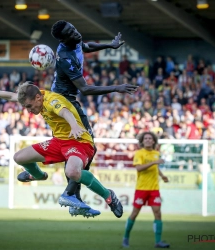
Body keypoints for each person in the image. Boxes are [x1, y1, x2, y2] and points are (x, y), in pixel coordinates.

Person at [0, 82, 123, 218]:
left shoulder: (51, 101)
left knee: (72, 172)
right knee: (19, 157)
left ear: (37, 98)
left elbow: (65, 112)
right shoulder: (36, 96)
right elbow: (11, 96)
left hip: (79, 141)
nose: (29, 111)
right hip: (59, 141)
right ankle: (38, 175)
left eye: (29, 107)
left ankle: (108, 196)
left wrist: (75, 125)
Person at [49, 20, 138, 217]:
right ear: (64, 39)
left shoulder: (74, 42)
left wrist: (110, 45)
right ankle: (72, 193)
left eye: (74, 27)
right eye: (70, 32)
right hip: (65, 103)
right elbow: (86, 89)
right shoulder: (64, 56)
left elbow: (86, 46)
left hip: (65, 101)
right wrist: (116, 87)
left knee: (78, 149)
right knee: (86, 147)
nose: (76, 32)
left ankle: (74, 196)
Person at [122, 132, 170, 248]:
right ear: (142, 141)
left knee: (158, 213)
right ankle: (126, 238)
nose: (148, 140)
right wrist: (154, 162)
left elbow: (155, 167)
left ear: (153, 141)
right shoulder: (139, 153)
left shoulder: (156, 153)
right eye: (146, 138)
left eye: (150, 138)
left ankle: (158, 242)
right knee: (134, 214)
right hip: (141, 189)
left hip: (154, 189)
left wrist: (162, 176)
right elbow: (138, 168)